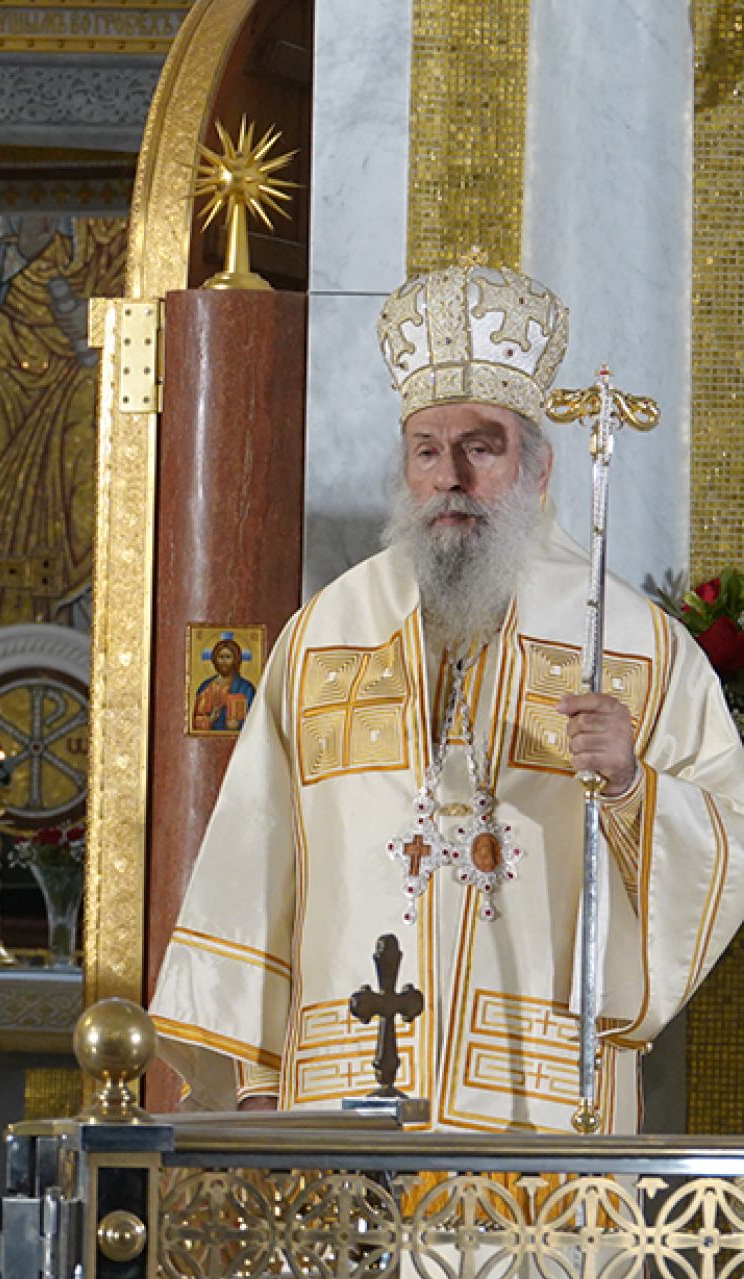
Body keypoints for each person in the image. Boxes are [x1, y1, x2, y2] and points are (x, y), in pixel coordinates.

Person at [150, 262, 744, 1131]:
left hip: (540, 1097)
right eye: (427, 451)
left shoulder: (635, 647)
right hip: (342, 1084)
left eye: (482, 446)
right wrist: (257, 1078)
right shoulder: (325, 634)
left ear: (536, 470)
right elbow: (255, 855)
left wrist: (631, 788)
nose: (450, 475)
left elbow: (728, 844)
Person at [191, 634, 256, 733]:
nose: (223, 661)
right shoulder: (205, 687)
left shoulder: (246, 688)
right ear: (214, 660)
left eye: (228, 657)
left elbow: (255, 720)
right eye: (220, 657)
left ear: (236, 660)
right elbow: (194, 722)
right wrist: (210, 720)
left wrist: (240, 725)